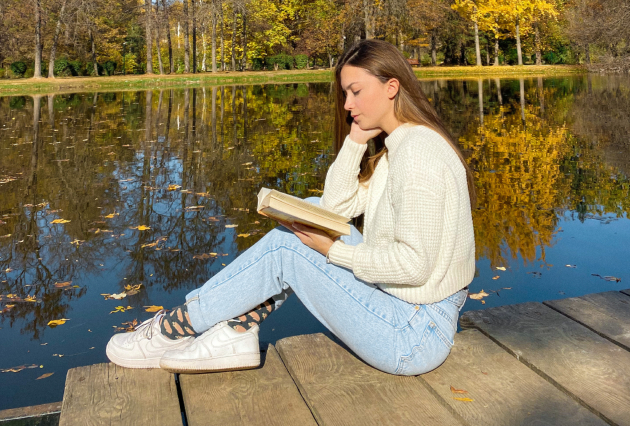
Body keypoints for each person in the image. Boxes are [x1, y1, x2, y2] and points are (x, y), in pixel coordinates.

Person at [106, 39, 476, 375]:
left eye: (356, 91)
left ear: (391, 87)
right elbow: (335, 208)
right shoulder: (401, 146)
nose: (347, 105)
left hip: (414, 335)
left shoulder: (418, 153)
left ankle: (175, 328)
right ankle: (237, 330)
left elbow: (413, 265)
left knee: (288, 247)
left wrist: (332, 252)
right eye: (346, 94)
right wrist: (354, 143)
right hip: (406, 310)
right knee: (311, 208)